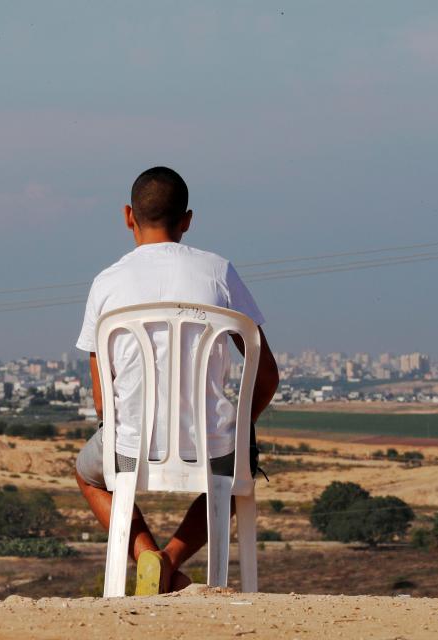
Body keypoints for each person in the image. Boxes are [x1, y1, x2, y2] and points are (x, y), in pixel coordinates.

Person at [74, 166, 280, 595]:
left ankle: (149, 556)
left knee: (87, 474)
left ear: (128, 216)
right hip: (214, 448)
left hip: (130, 448)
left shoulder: (106, 283)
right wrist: (241, 429)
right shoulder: (219, 272)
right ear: (187, 220)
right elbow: (267, 373)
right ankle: (170, 561)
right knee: (232, 473)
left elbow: (99, 401)